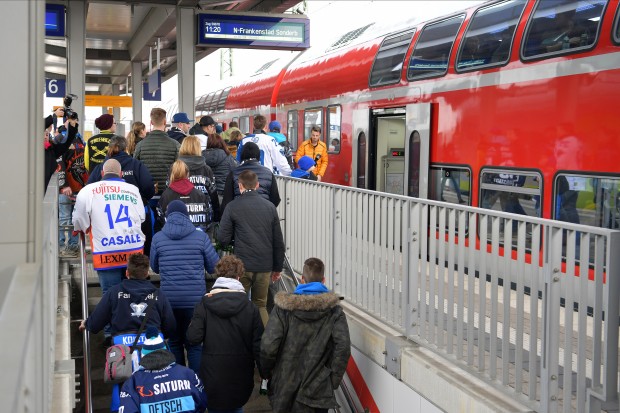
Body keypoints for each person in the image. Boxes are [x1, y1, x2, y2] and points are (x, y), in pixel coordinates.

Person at [260, 258, 351, 413]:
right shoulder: (334, 312)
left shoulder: (283, 309)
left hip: (284, 387)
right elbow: (343, 348)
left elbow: (268, 346)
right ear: (323, 280)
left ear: (302, 280)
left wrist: (267, 373)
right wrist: (331, 382)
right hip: (317, 392)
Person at [73, 159, 146, 340]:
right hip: (132, 249)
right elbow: (142, 217)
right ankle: (134, 328)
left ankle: (110, 334)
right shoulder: (133, 190)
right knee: (134, 290)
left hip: (106, 250)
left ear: (102, 174)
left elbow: (79, 220)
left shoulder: (88, 191)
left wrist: (83, 227)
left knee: (109, 294)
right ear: (121, 174)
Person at [187, 255, 264, 413]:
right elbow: (259, 346)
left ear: (218, 275)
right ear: (239, 276)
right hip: (241, 374)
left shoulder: (204, 304)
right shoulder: (251, 308)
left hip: (212, 375)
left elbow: (193, 337)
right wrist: (265, 373)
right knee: (237, 406)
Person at [150, 200, 219, 374]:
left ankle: (179, 384)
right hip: (195, 302)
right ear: (186, 216)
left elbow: (155, 267)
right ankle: (196, 384)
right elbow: (214, 267)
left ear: (167, 216)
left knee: (174, 342)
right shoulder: (200, 237)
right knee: (194, 344)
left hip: (170, 303)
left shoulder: (158, 238)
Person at [218, 170, 285, 326]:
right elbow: (278, 241)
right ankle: (265, 343)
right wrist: (277, 267)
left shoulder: (233, 206)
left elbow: (222, 238)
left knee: (238, 304)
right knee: (260, 304)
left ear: (240, 186)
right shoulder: (269, 207)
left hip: (242, 266)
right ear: (257, 185)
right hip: (264, 265)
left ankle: (238, 341)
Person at [78, 253, 175, 339]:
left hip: (123, 351)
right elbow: (170, 327)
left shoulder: (113, 293)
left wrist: (87, 324)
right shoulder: (159, 294)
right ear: (147, 273)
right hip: (152, 349)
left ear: (127, 273)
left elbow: (96, 323)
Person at [87, 136, 156, 254]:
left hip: (106, 221)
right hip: (134, 219)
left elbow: (89, 191)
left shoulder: (101, 168)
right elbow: (148, 188)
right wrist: (141, 199)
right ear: (126, 148)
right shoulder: (136, 165)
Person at [119, 326, 208, 413]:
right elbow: (202, 402)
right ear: (166, 351)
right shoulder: (188, 374)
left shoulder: (133, 382)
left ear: (143, 356)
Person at [134, 107, 180, 210]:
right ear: (165, 121)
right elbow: (178, 169)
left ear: (151, 122)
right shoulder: (175, 144)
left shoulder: (140, 145)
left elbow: (135, 168)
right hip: (168, 194)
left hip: (146, 194)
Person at [56, 121, 88, 258]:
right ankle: (62, 246)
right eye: (71, 120)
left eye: (75, 120)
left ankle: (74, 245)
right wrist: (63, 185)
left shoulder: (81, 139)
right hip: (66, 188)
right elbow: (59, 163)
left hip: (80, 187)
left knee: (77, 218)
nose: (74, 122)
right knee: (64, 218)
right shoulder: (60, 139)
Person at [221, 142, 280, 214]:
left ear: (242, 155)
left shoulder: (233, 173)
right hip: (263, 215)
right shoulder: (268, 173)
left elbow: (227, 200)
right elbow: (275, 199)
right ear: (258, 155)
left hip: (239, 215)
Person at [158, 160, 212, 232]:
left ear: (171, 175)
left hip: (173, 239)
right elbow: (208, 219)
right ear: (187, 174)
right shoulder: (200, 195)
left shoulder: (165, 196)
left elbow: (160, 220)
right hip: (197, 239)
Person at [179, 135, 220, 221]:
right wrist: (217, 216)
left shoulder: (175, 168)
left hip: (180, 214)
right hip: (202, 216)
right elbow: (213, 194)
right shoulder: (206, 169)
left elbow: (168, 192)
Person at [44, 109, 79, 191]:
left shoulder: (51, 150)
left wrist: (72, 126)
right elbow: (36, 128)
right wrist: (53, 116)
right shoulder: (33, 149)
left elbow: (66, 144)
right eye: (42, 134)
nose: (45, 137)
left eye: (46, 134)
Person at [202, 133, 237, 198]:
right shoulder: (228, 156)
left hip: (206, 193)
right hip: (224, 191)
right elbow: (235, 172)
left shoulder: (201, 156)